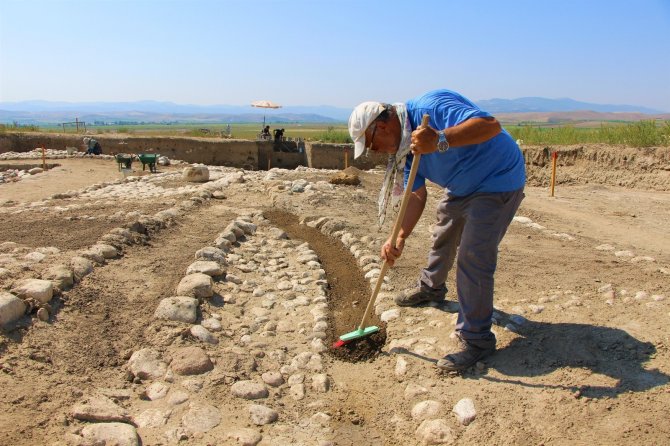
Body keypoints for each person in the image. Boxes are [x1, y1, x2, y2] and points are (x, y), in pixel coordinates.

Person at [348, 89, 526, 372]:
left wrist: (440, 140)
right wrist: (399, 237)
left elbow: (491, 125)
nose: (375, 152)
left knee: (473, 254)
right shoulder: (407, 149)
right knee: (444, 229)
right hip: (461, 186)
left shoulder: (432, 106)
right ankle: (431, 288)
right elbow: (415, 195)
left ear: (380, 127)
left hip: (497, 179)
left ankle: (477, 339)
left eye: (372, 145)